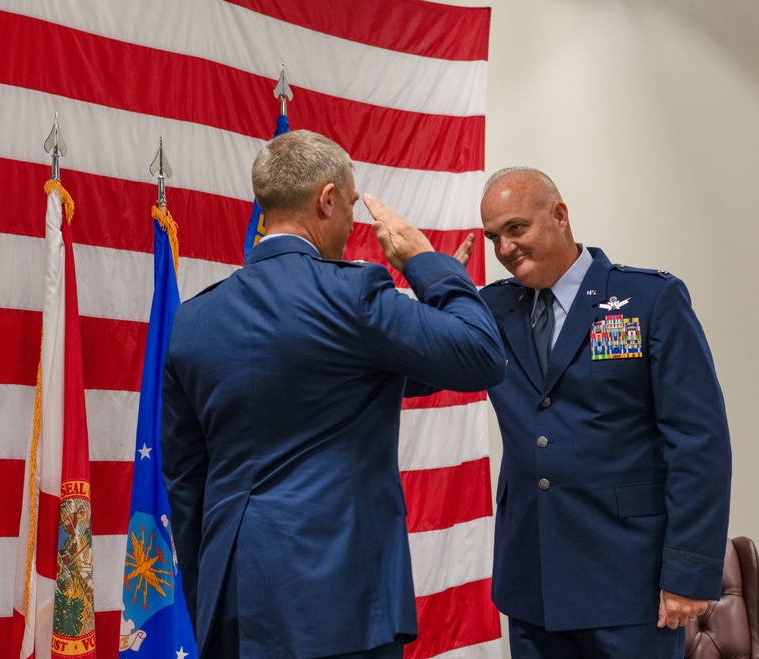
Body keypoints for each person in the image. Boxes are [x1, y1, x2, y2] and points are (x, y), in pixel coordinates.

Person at [161, 130, 506, 659]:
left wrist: (207, 595)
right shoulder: (353, 293)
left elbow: (186, 483)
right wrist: (432, 266)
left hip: (234, 598)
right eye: (349, 204)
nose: (351, 222)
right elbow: (482, 354)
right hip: (341, 599)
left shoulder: (193, 319)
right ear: (325, 199)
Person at [479, 167, 732, 658]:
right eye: (494, 237)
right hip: (531, 581)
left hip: (628, 583)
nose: (505, 248)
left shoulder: (649, 300)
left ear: (559, 216)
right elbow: (417, 371)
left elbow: (699, 440)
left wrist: (687, 571)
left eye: (516, 228)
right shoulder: (491, 309)